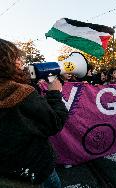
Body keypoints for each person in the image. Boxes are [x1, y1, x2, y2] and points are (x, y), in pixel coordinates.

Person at [0, 38, 68, 187]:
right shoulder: (21, 92)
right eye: (16, 58)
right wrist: (54, 93)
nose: (20, 63)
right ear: (6, 62)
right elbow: (54, 122)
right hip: (36, 171)